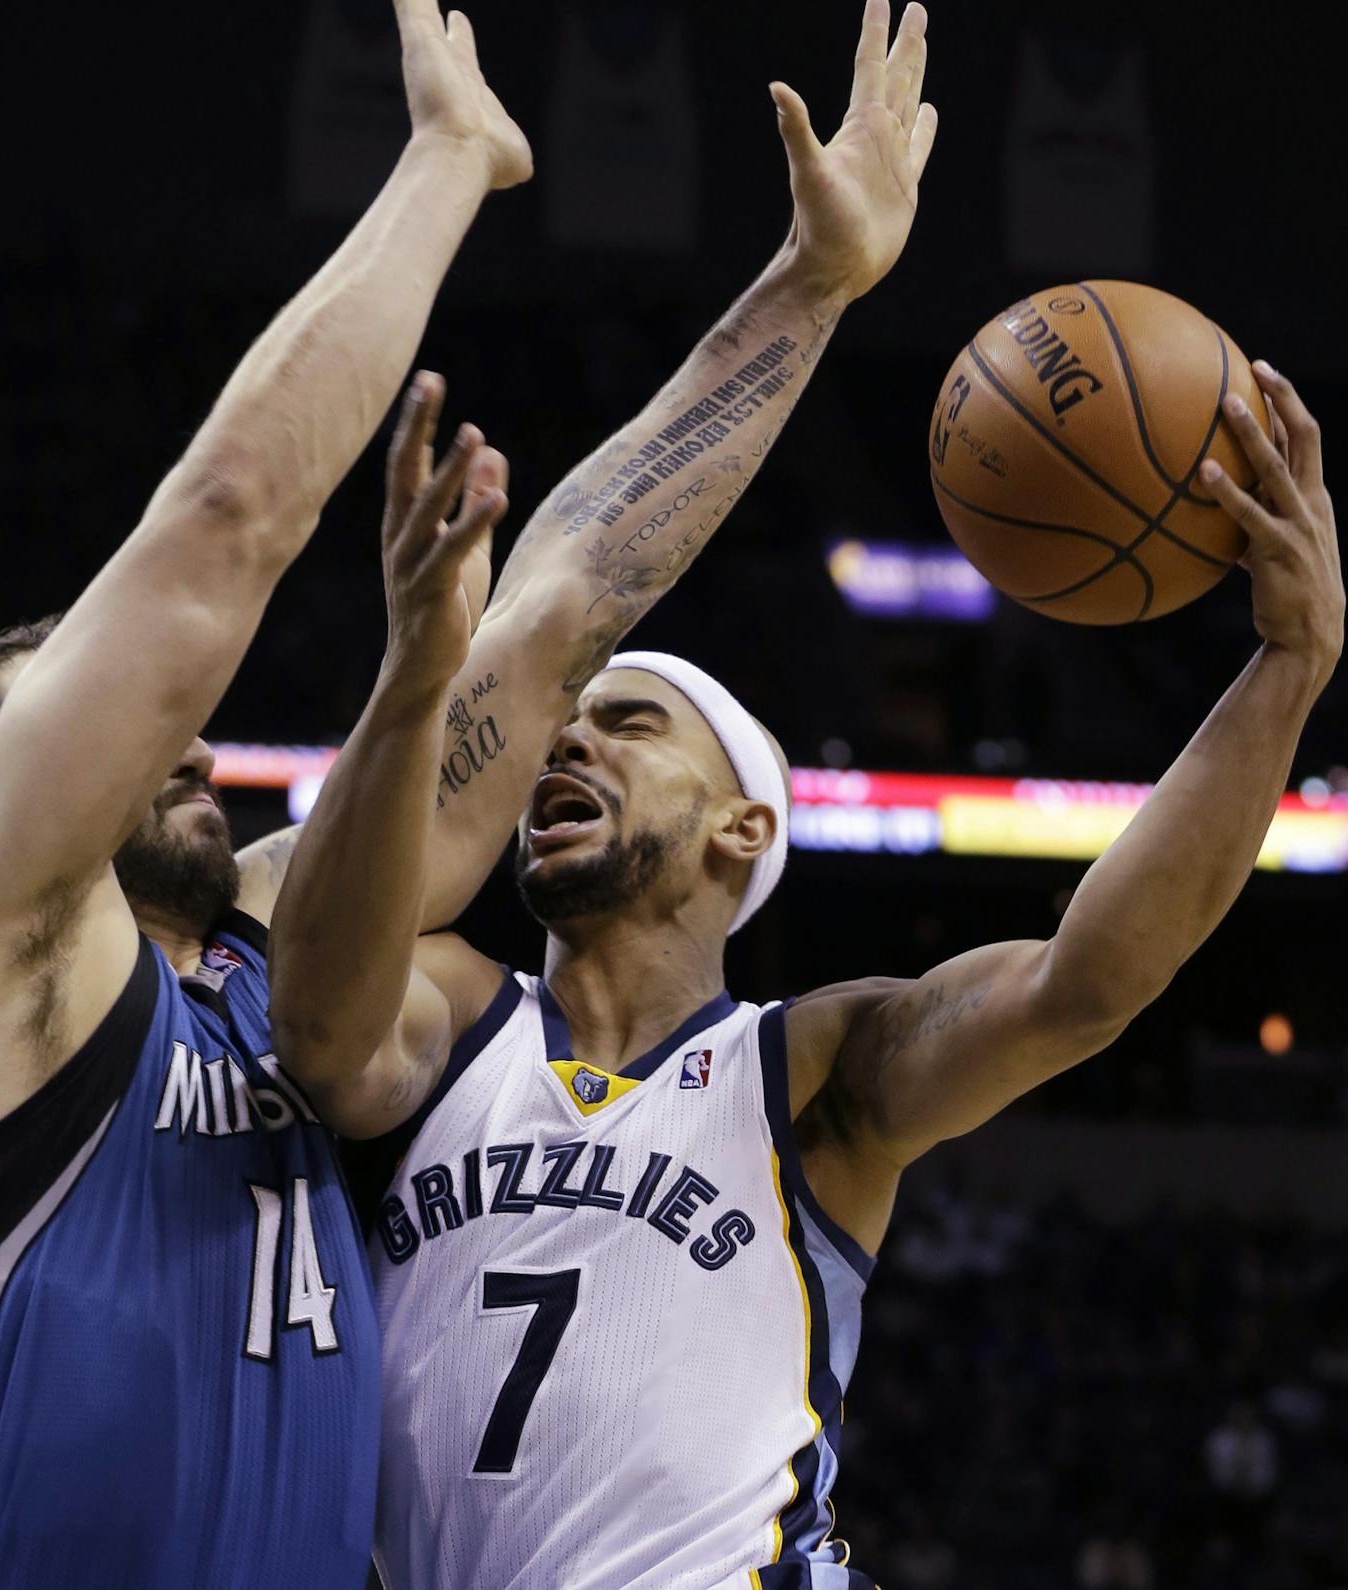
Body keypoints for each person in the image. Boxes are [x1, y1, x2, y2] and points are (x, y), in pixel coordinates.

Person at [269, 94, 1341, 1590]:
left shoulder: (813, 1076)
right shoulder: (451, 1012)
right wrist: (419, 682)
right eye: (571, 724)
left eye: (631, 724)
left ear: (744, 825)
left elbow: (1088, 978)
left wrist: (1283, 671)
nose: (569, 738)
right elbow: (317, 1025)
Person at [0, 0, 537, 1581]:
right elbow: (226, 522)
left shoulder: (258, 946)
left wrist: (804, 295)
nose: (192, 742)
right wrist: (448, 161)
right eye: (119, 741)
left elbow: (555, 631)